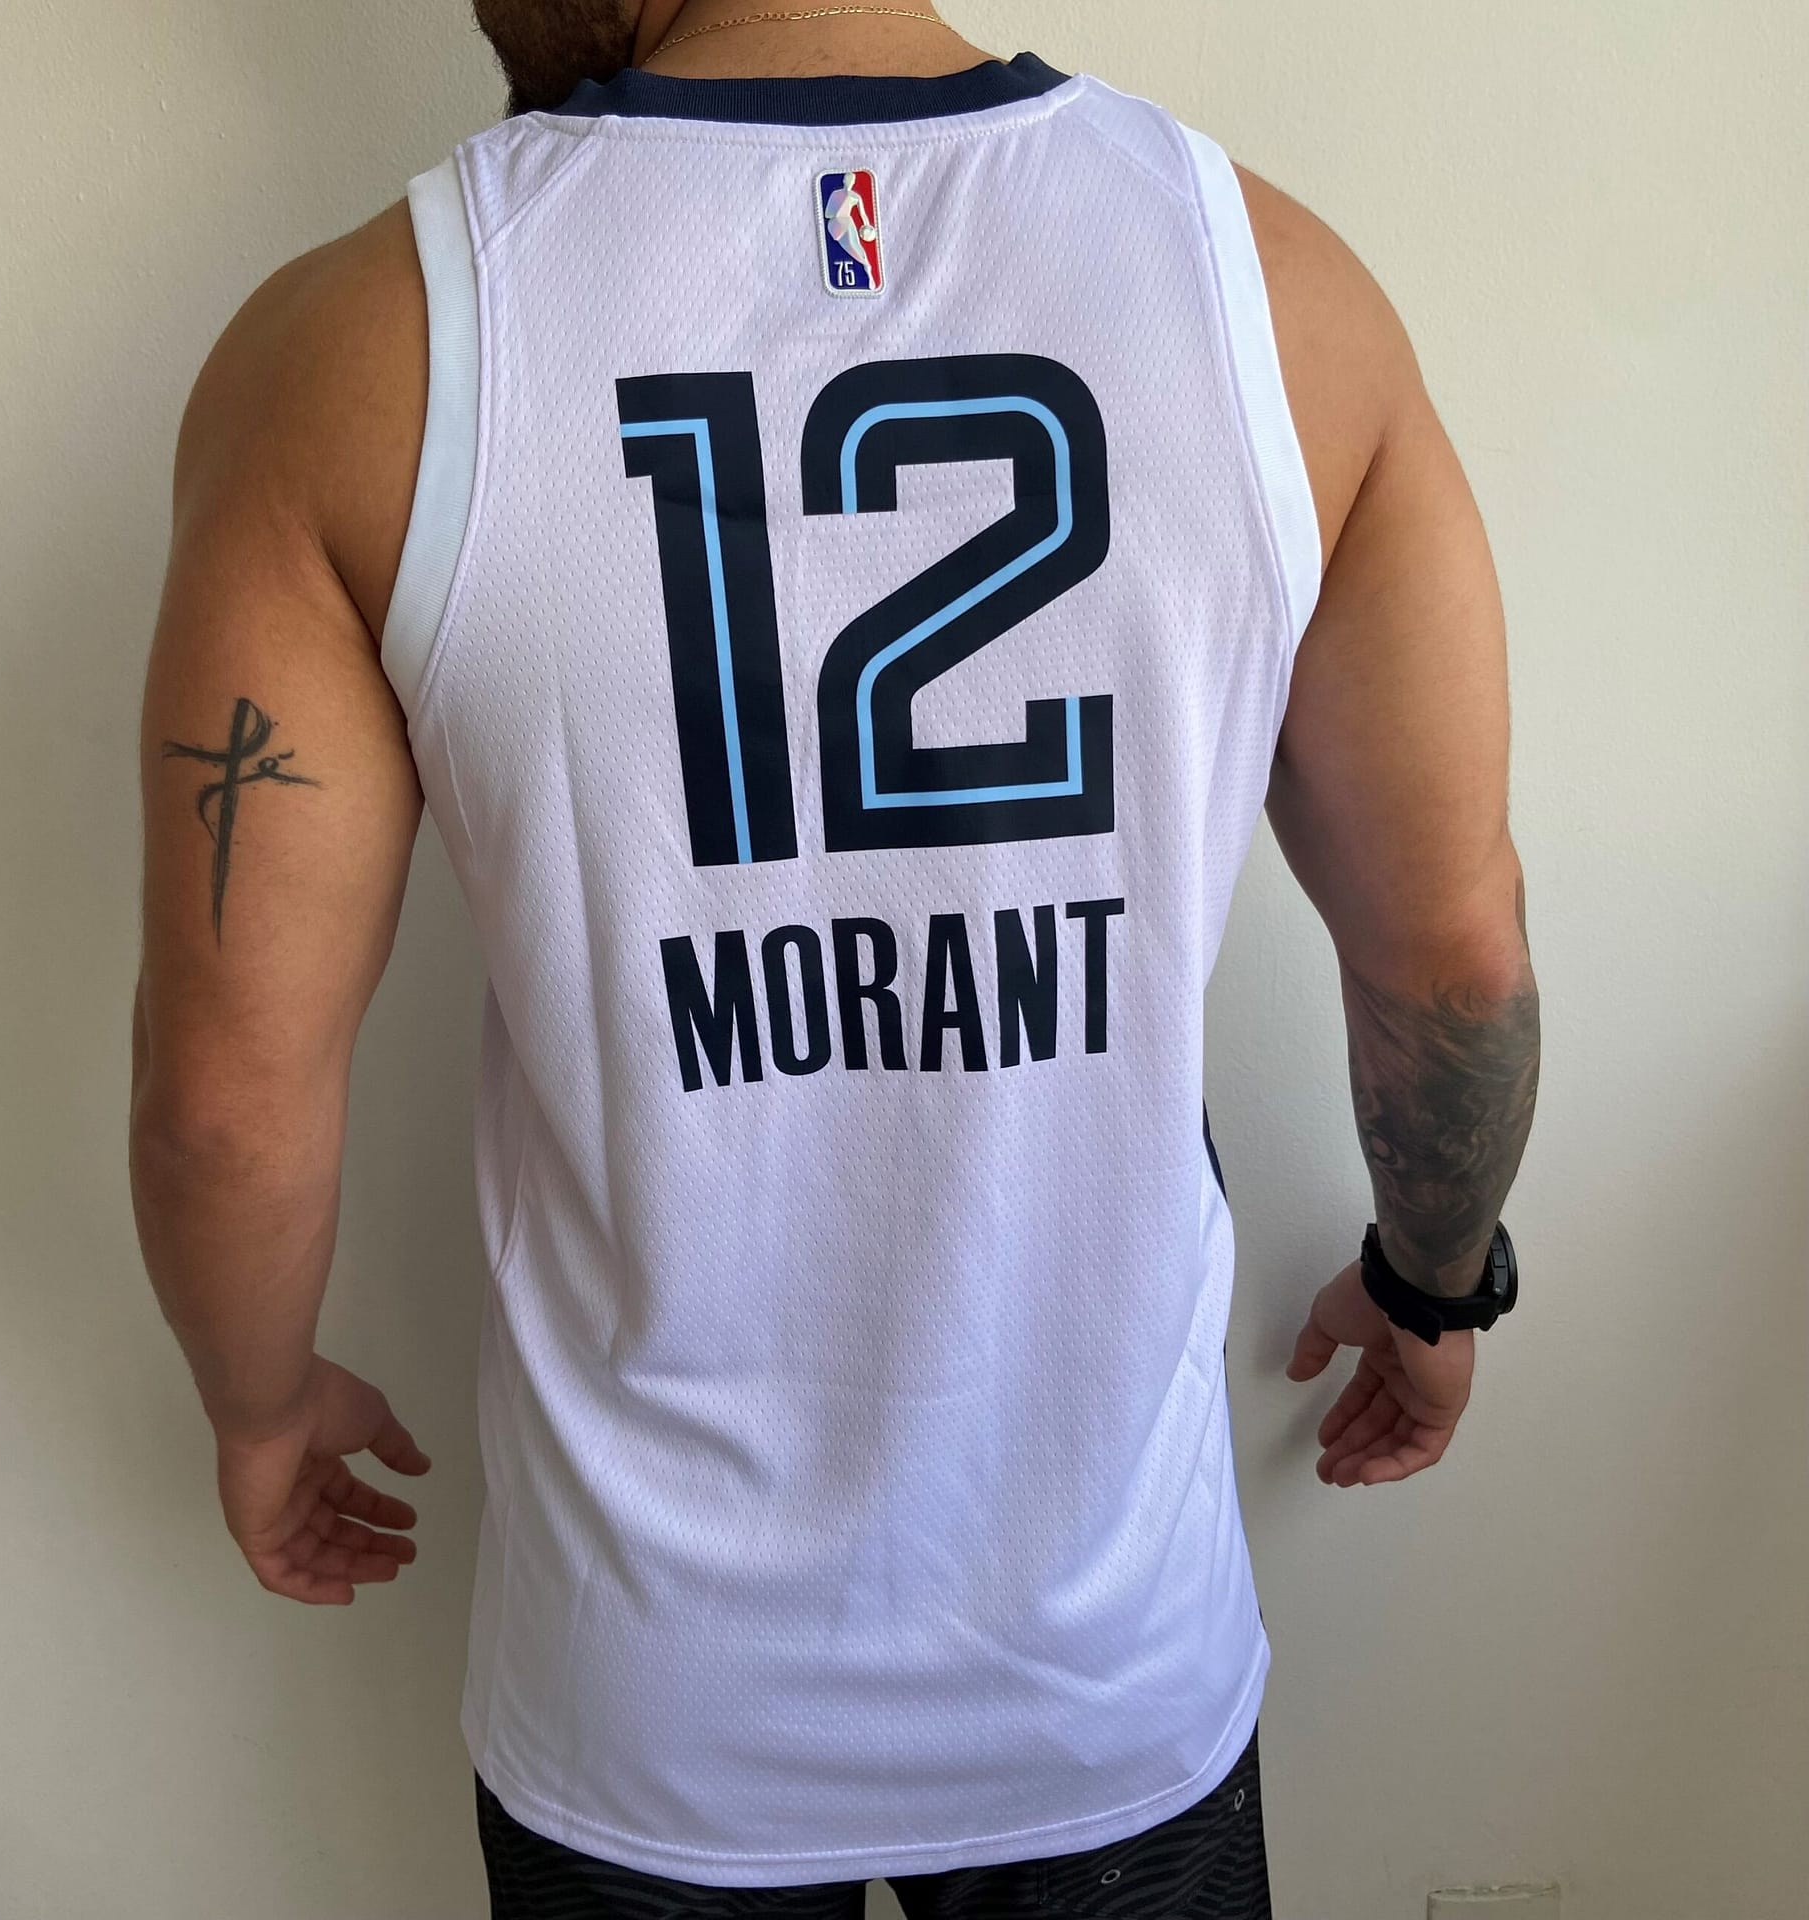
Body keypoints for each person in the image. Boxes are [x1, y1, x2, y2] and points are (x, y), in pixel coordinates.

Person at [126, 3, 1541, 1914]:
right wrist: (1437, 1286)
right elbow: (1456, 968)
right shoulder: (1277, 295)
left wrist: (260, 1406)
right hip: (1106, 1673)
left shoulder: (355, 353)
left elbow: (226, 1105)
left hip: (646, 1698)